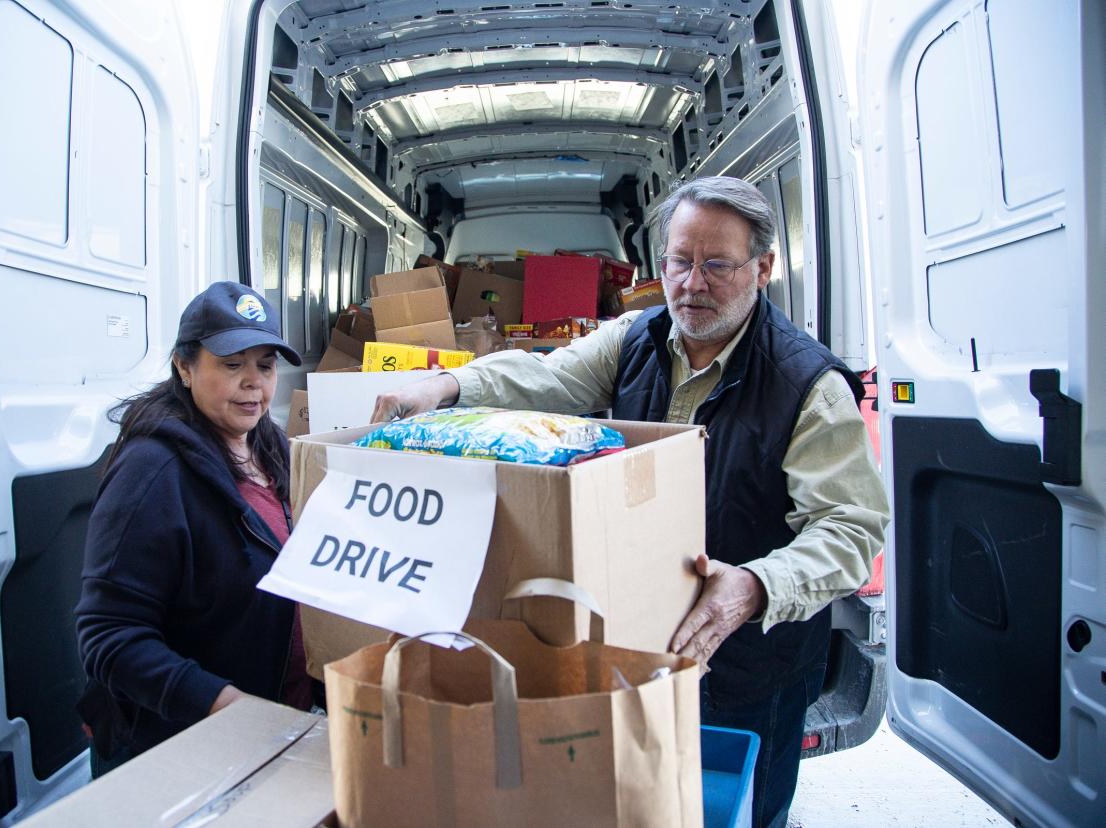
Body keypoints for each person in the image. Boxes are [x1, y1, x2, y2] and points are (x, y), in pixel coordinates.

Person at [372, 176, 889, 828]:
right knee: (640, 804)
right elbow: (546, 378)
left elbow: (851, 529)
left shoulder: (807, 384)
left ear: (763, 268)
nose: (691, 284)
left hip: (750, 666)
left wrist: (755, 587)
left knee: (740, 811)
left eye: (717, 266)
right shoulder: (636, 338)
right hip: (637, 648)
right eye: (679, 261)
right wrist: (445, 387)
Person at [75, 281, 314, 774]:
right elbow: (110, 637)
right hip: (183, 748)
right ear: (184, 367)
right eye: (232, 365)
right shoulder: (151, 471)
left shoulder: (267, 444)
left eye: (265, 366)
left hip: (272, 730)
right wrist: (227, 706)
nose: (254, 383)